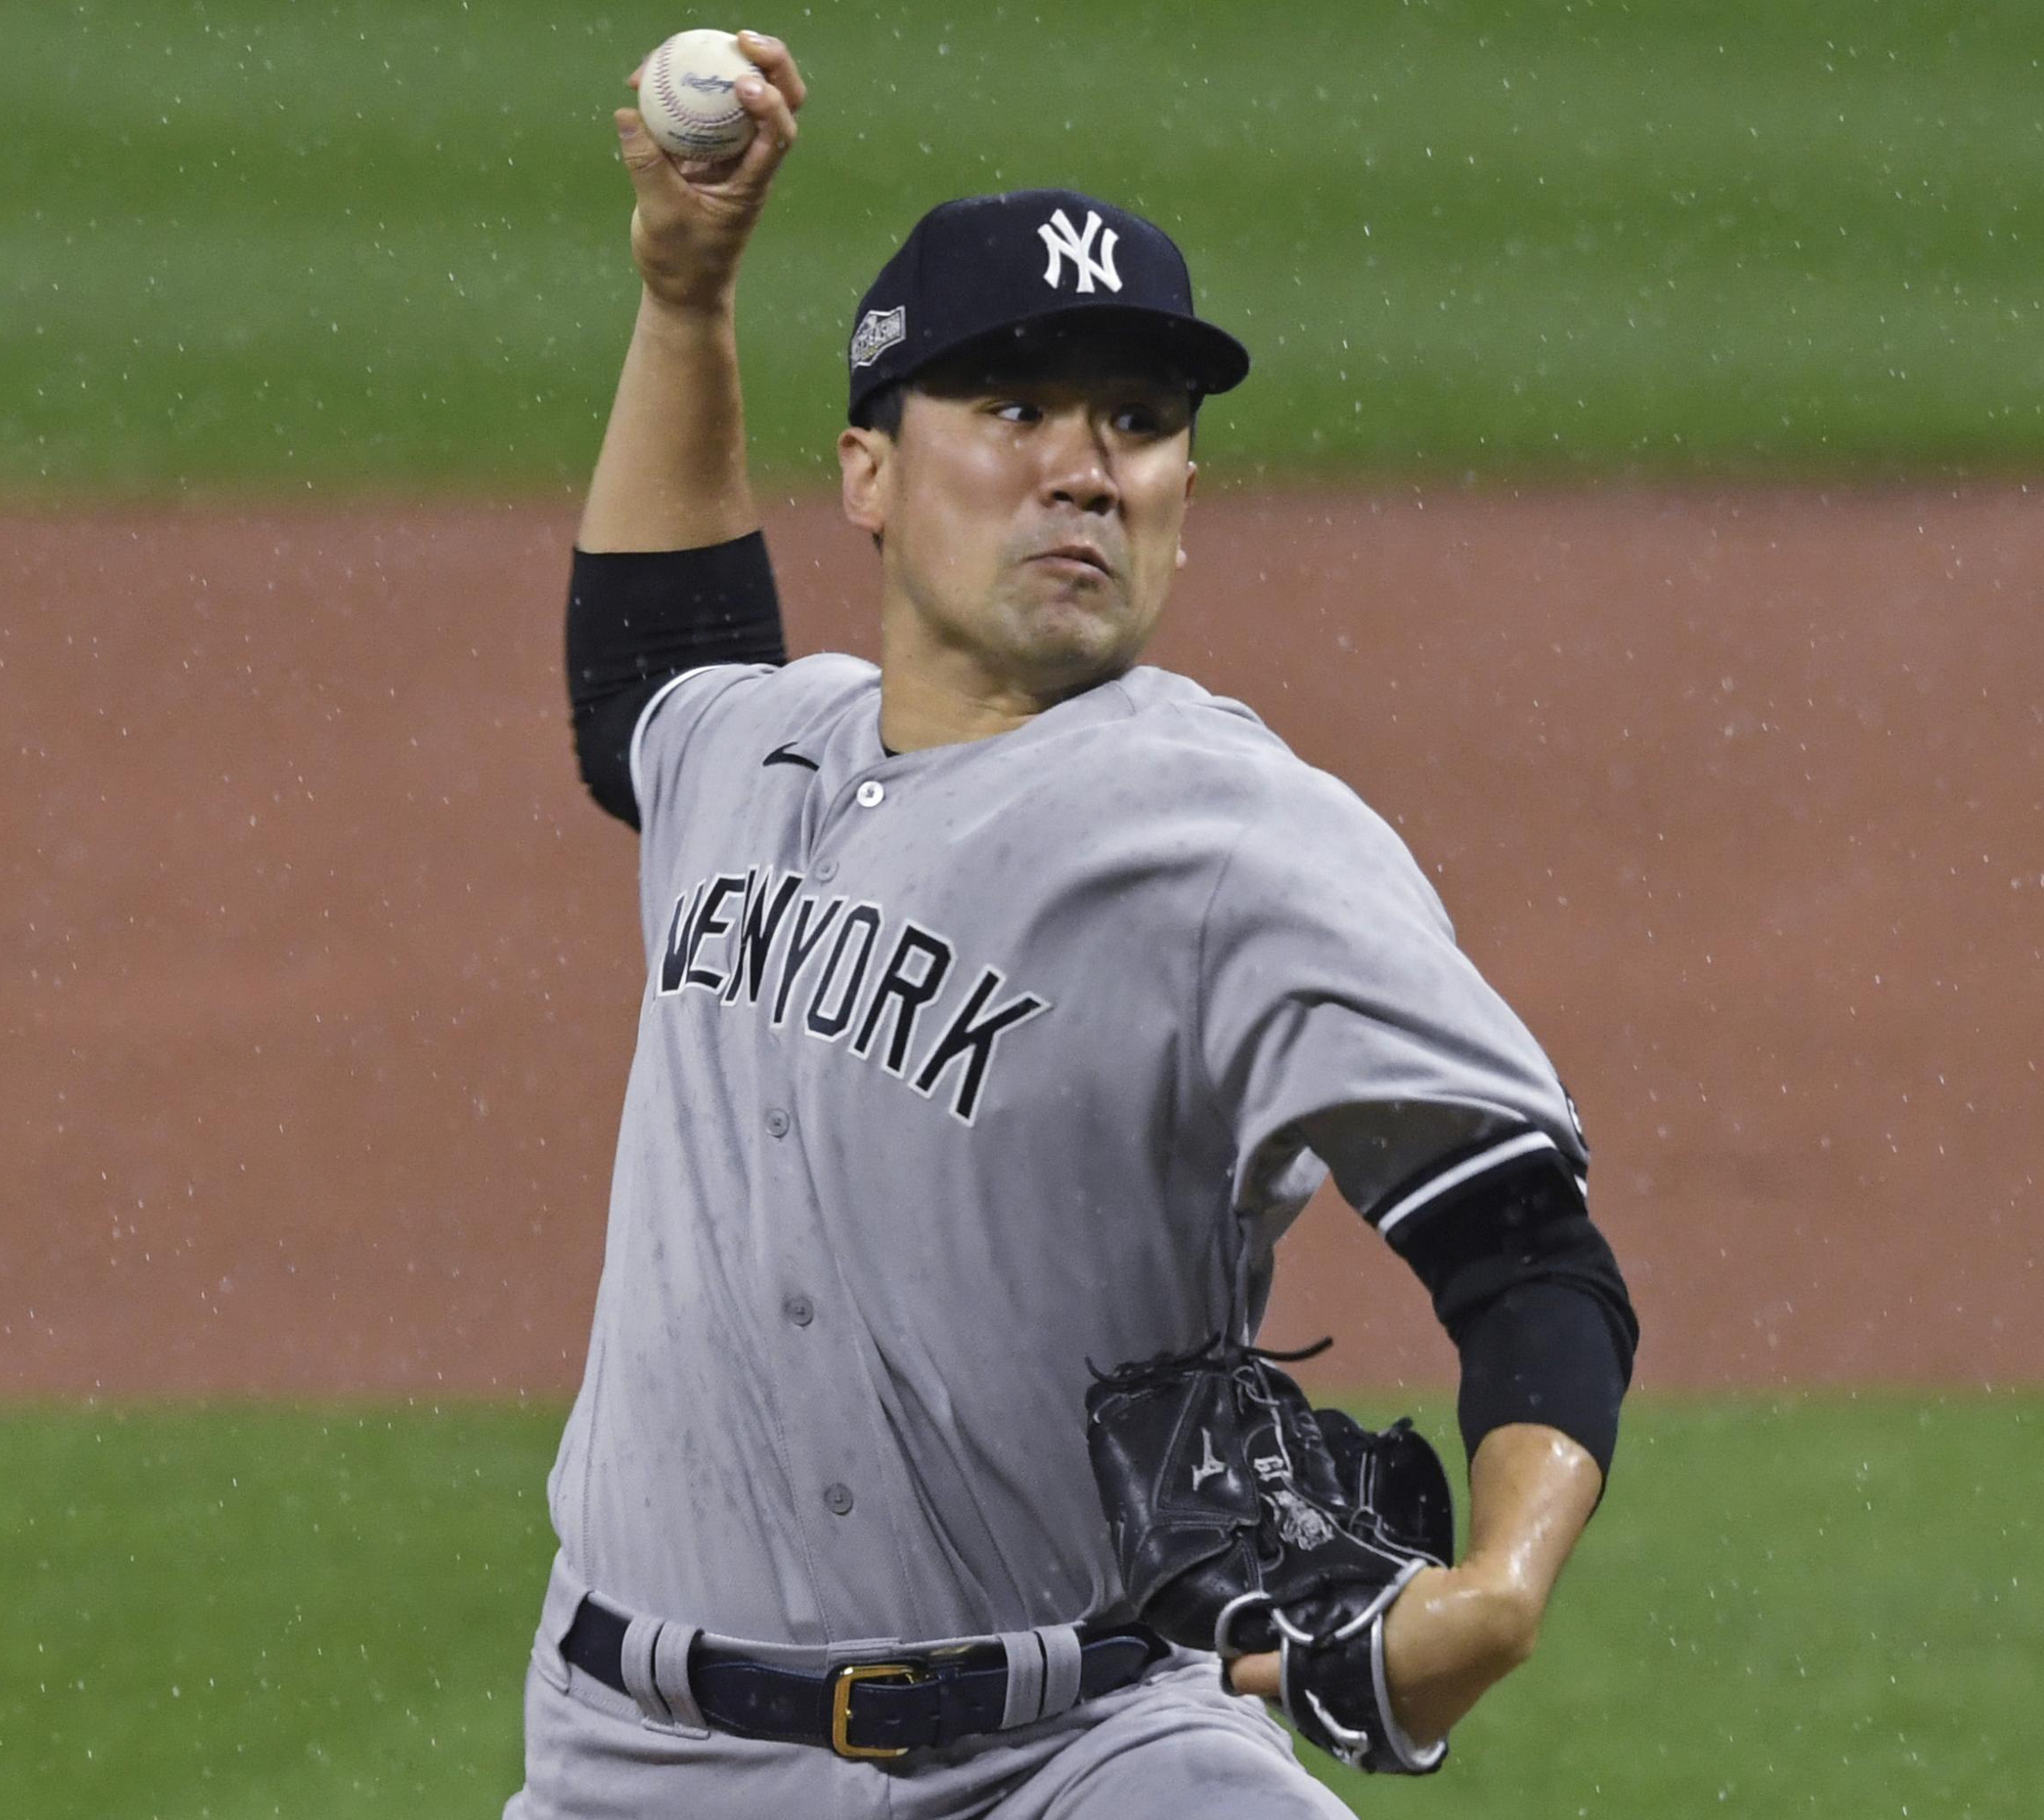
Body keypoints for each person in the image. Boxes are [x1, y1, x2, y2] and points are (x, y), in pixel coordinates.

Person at [510, 32, 1639, 1818]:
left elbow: (1524, 1245)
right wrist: (685, 294)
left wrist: (1497, 1587)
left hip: (1088, 1750)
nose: (1085, 468)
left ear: (1184, 492)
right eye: (1013, 407)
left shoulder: (1234, 836)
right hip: (643, 1758)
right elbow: (640, 676)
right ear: (869, 475)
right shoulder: (751, 744)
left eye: (1138, 420)